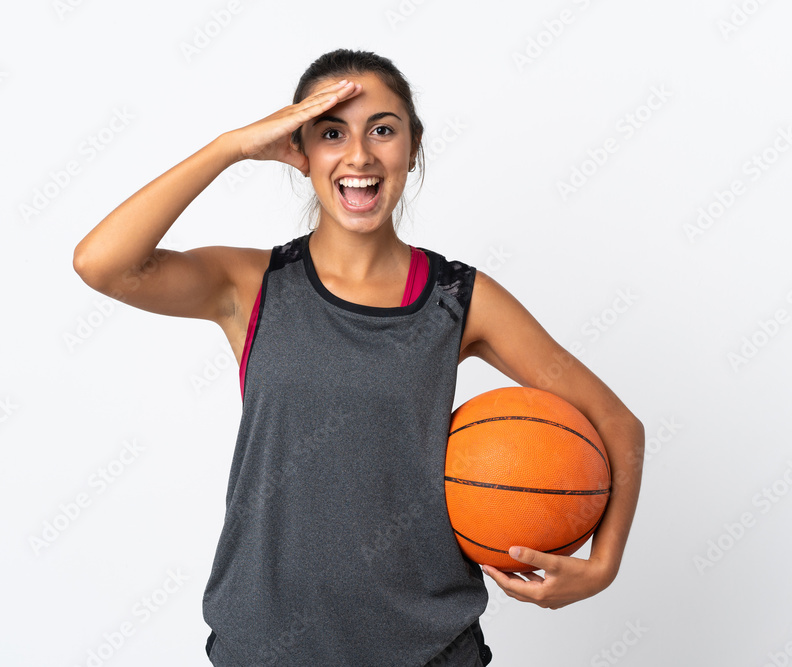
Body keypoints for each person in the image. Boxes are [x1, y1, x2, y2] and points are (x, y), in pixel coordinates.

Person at [73, 48, 645, 667]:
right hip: (265, 649)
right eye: (331, 133)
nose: (359, 156)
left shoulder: (459, 299)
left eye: (382, 130)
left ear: (413, 146)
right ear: (298, 151)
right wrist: (230, 147)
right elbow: (101, 264)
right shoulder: (251, 285)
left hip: (429, 649)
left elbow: (619, 424)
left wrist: (603, 565)